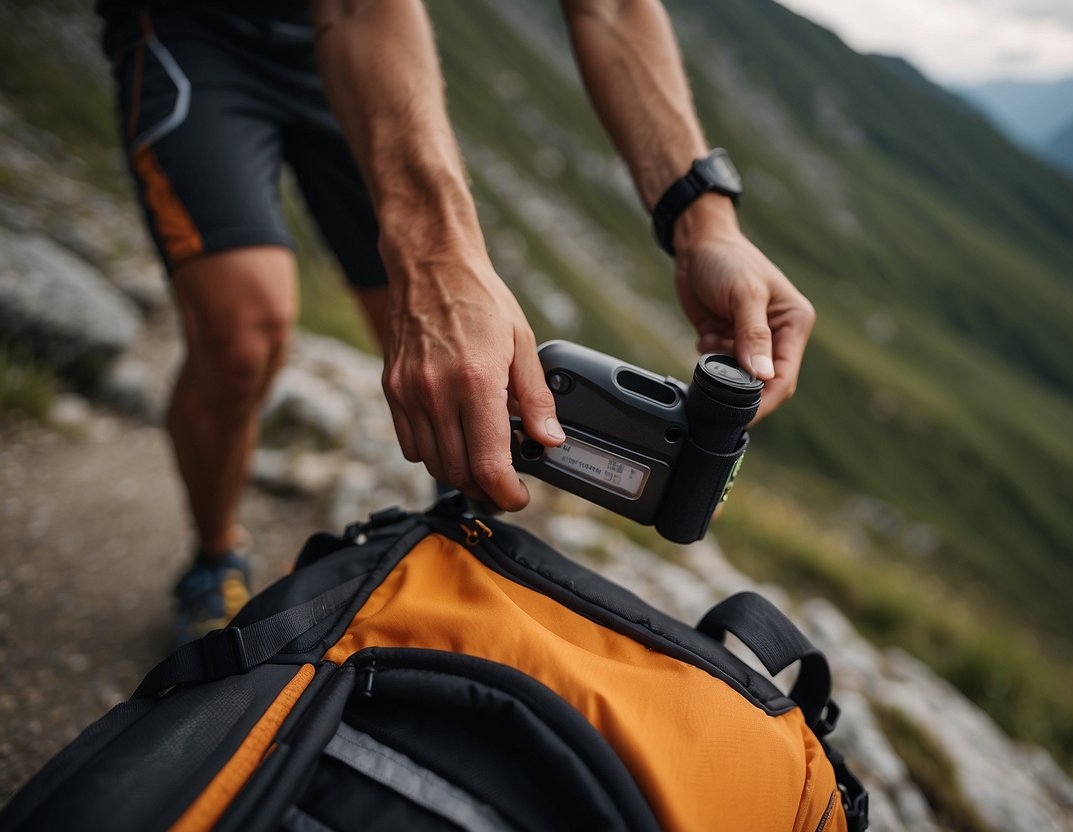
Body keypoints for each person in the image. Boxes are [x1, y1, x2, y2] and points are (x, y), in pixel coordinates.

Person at [96, 0, 816, 644]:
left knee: (462, 368)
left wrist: (704, 222)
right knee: (243, 329)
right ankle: (216, 555)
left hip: (367, 59)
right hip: (199, 33)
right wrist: (437, 252)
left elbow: (615, 7)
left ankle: (451, 536)